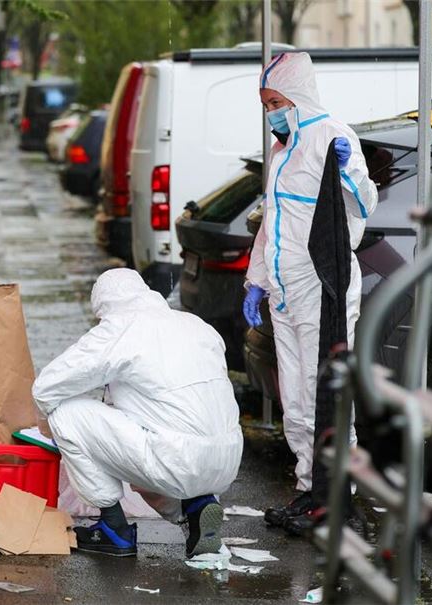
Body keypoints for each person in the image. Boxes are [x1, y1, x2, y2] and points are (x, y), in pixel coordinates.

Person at [243, 52, 378, 535]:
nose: (271, 113)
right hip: (286, 290)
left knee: (326, 395)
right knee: (296, 399)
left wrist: (347, 172)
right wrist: (257, 280)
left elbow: (365, 204)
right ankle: (309, 488)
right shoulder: (282, 151)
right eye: (266, 105)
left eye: (275, 102)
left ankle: (338, 496)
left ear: (297, 97)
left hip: (324, 287)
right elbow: (272, 222)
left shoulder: (334, 137)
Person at [32, 268, 244, 557]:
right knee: (159, 427)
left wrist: (53, 431)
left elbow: (46, 387)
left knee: (65, 414)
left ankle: (113, 529)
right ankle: (197, 509)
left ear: (104, 307)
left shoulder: (120, 328)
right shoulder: (197, 325)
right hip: (226, 459)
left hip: (175, 458)